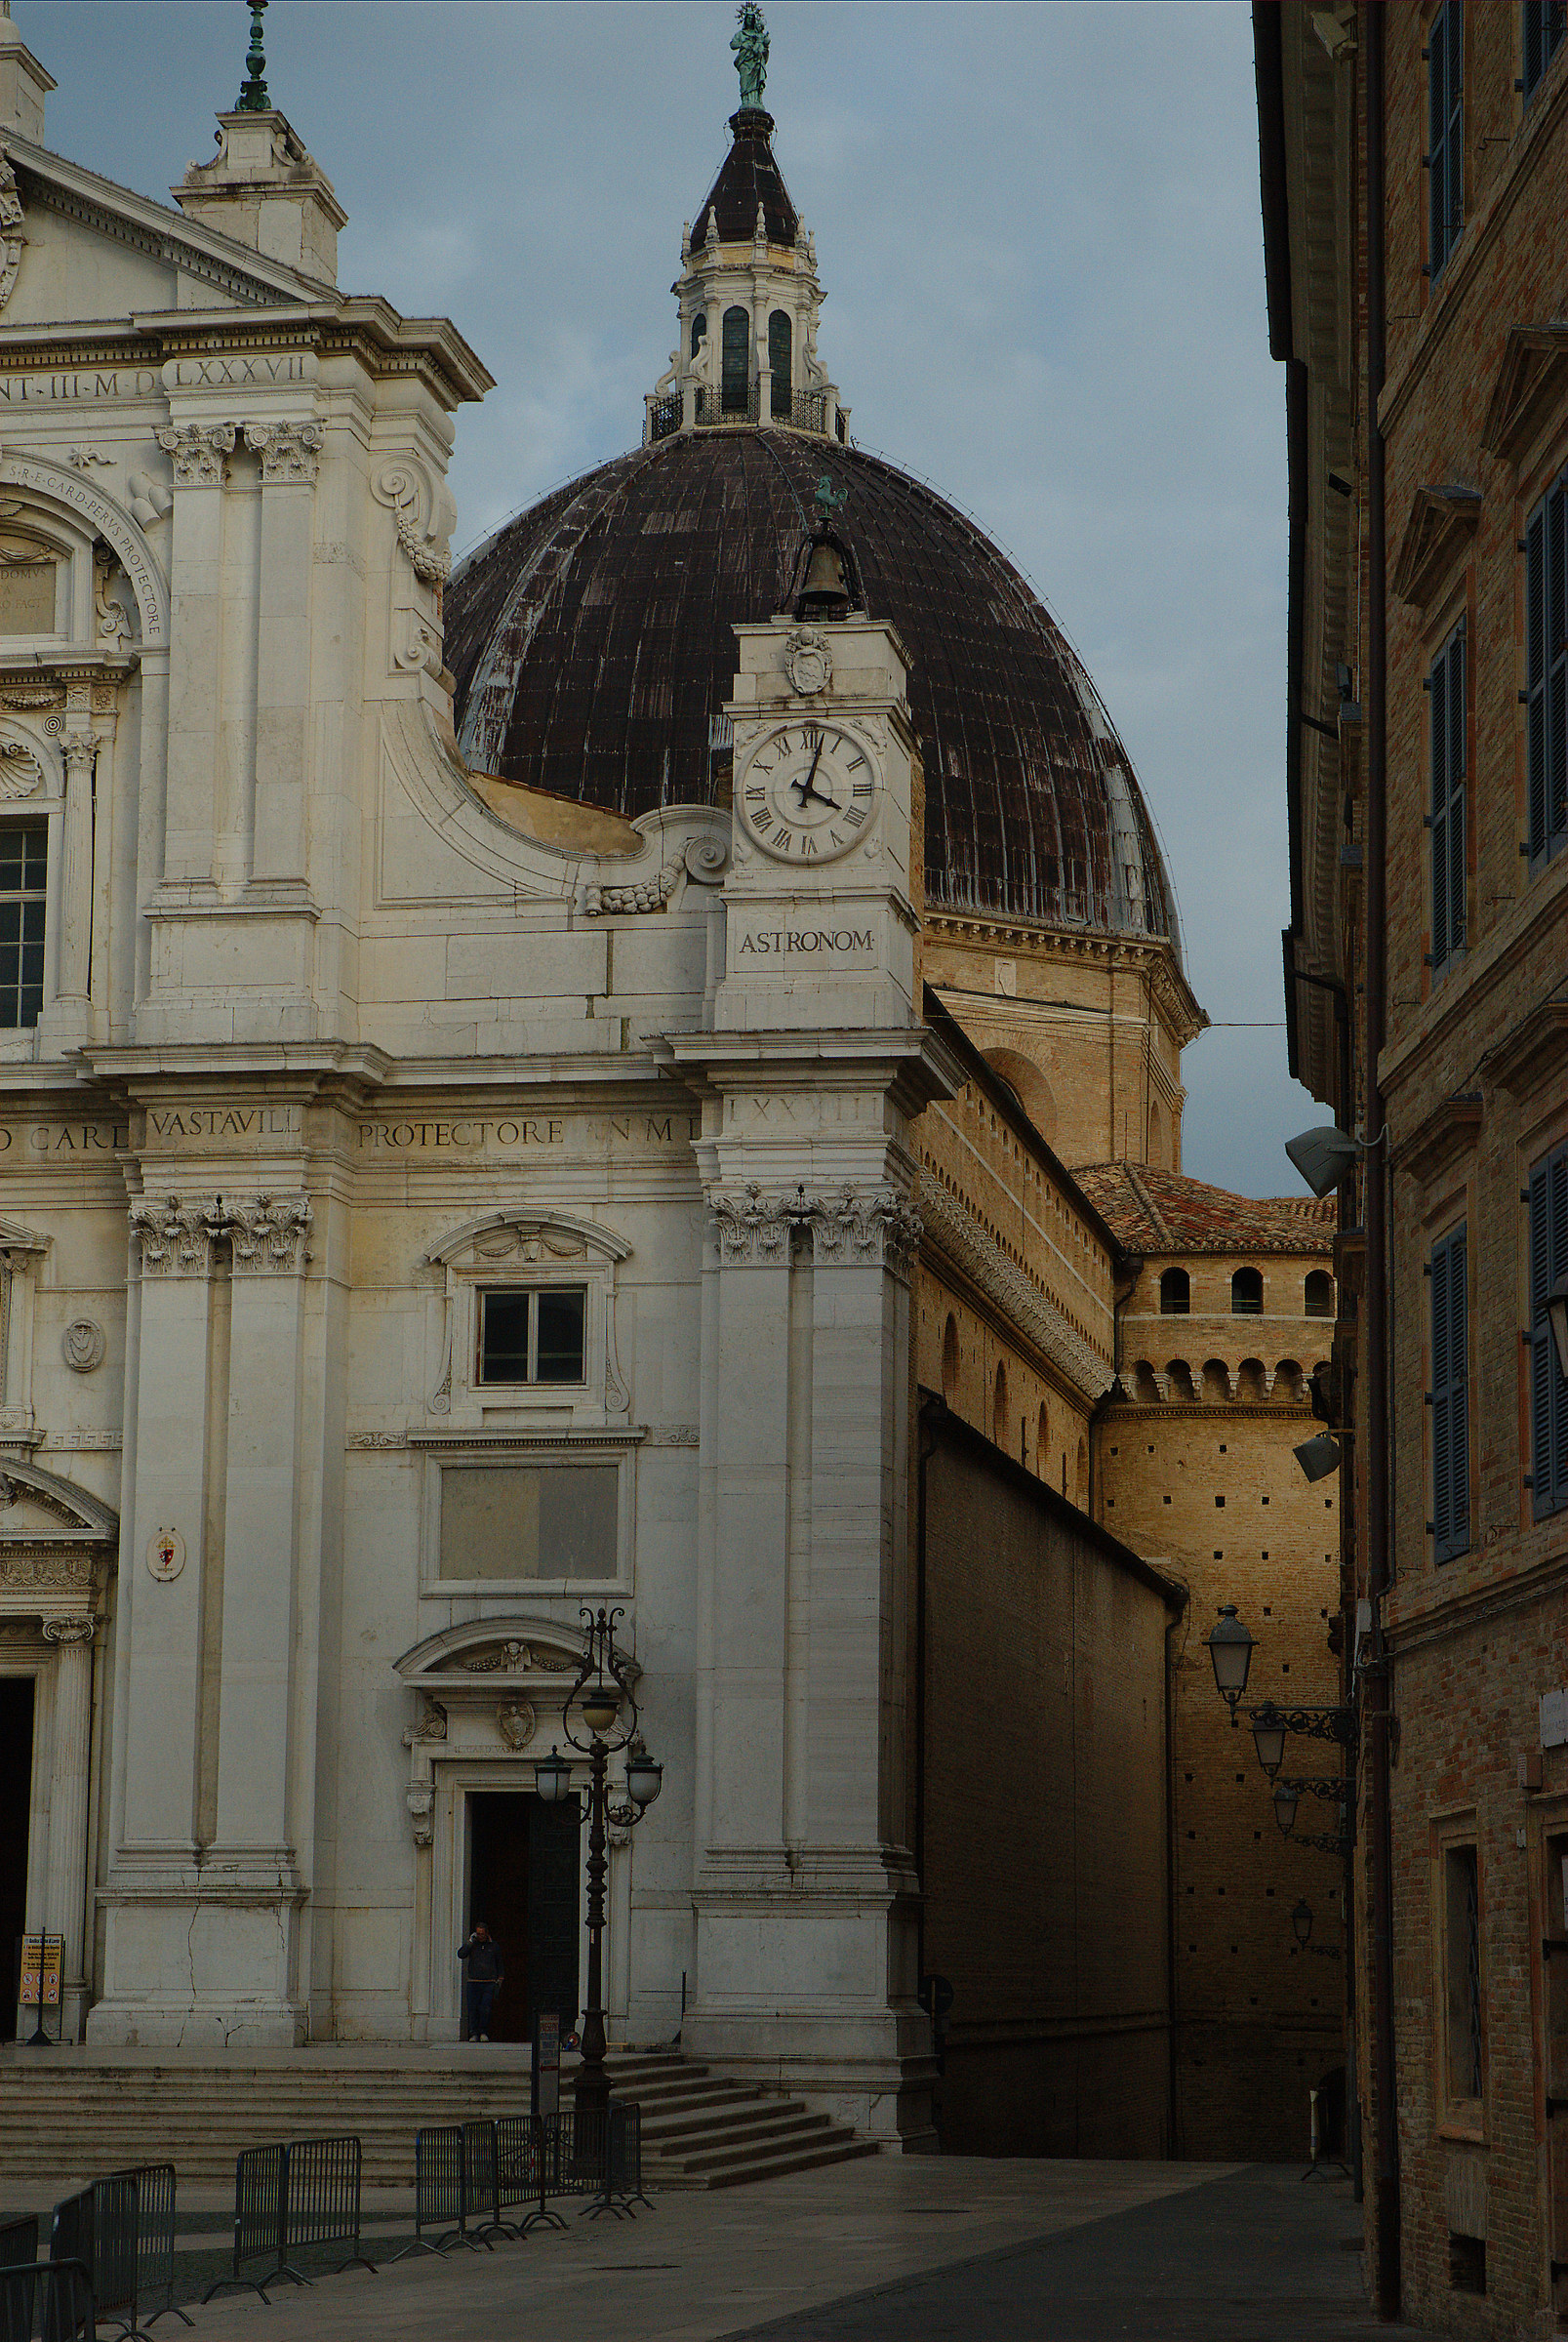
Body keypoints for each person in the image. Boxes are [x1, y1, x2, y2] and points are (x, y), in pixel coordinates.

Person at [457, 1921, 503, 2040]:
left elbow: (499, 1962)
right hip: (473, 1982)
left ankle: (483, 2032)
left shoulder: (493, 1946)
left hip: (489, 1982)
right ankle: (473, 2033)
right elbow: (461, 1954)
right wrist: (470, 1942)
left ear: (486, 1933)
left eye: (482, 1934)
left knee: (485, 2009)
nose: (480, 1936)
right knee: (473, 2009)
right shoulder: (473, 1945)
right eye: (478, 1934)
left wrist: (500, 1977)